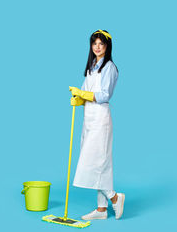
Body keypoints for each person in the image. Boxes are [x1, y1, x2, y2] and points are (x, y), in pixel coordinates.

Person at [68, 29, 125, 220]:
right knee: (98, 163)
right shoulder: (92, 66)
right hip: (88, 119)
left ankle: (114, 197)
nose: (97, 47)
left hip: (100, 119)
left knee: (97, 162)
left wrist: (84, 95)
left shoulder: (109, 67)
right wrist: (79, 98)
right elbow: (85, 90)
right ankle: (101, 209)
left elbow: (104, 95)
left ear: (107, 46)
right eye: (94, 44)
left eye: (101, 44)